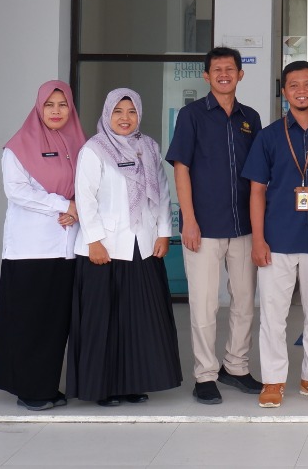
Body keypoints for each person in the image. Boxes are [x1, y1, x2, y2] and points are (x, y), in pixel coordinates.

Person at [66, 89, 182, 406]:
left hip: (142, 247)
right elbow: (85, 198)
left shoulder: (149, 148)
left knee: (137, 321)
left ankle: (133, 382)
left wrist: (163, 233)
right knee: (103, 322)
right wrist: (94, 241)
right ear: (107, 114)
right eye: (118, 111)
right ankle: (102, 388)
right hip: (103, 249)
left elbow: (162, 194)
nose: (125, 118)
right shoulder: (94, 150)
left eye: (131, 111)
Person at [243, 60, 308, 408]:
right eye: (294, 85)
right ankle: (273, 380)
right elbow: (257, 190)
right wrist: (258, 239)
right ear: (284, 92)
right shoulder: (269, 136)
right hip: (277, 239)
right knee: (274, 315)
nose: (302, 91)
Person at [165, 46, 262, 404]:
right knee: (204, 305)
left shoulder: (250, 118)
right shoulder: (191, 115)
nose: (224, 74)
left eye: (230, 69)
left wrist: (260, 229)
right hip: (203, 227)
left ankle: (236, 366)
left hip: (243, 226)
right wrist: (188, 220)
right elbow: (182, 169)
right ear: (207, 76)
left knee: (245, 302)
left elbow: (259, 175)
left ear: (240, 74)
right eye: (217, 69)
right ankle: (205, 374)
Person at [0, 80, 86, 410]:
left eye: (62, 105)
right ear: (39, 108)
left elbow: (90, 187)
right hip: (30, 250)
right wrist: (64, 205)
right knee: (29, 321)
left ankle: (45, 385)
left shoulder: (80, 144)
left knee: (55, 324)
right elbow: (16, 191)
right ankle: (28, 390)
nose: (56, 111)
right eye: (49, 105)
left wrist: (77, 208)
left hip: (67, 250)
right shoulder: (18, 147)